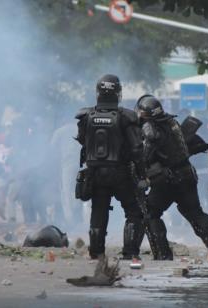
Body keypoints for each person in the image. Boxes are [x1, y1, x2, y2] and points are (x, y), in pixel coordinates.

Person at [137, 94, 208, 260]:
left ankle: (162, 254)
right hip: (186, 176)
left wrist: (141, 171)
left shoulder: (150, 128)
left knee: (150, 214)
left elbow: (146, 154)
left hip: (167, 180)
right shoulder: (172, 122)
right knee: (195, 213)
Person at [75, 74, 147, 260]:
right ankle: (130, 252)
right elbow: (137, 149)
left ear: (98, 92)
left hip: (95, 174)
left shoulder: (86, 116)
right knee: (134, 211)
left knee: (98, 210)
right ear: (118, 92)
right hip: (121, 173)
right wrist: (142, 175)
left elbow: (83, 141)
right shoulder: (127, 116)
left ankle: (96, 252)